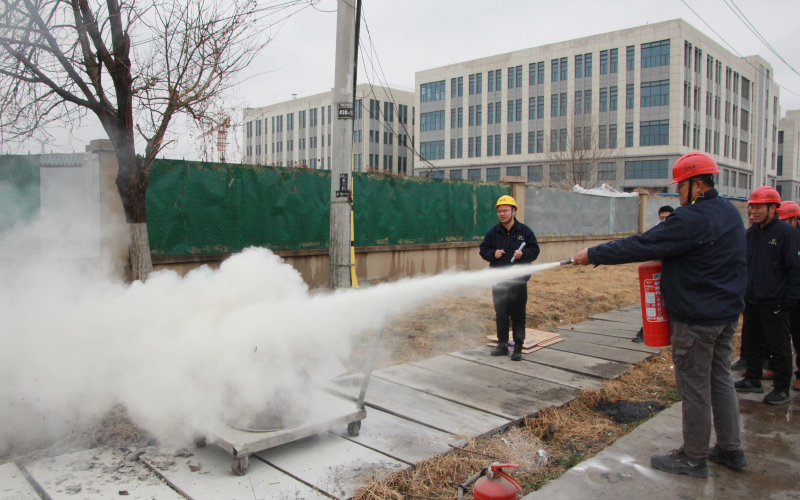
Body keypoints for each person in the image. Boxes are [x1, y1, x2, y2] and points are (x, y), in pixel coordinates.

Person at [573, 152, 747, 478]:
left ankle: (693, 458)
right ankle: (730, 449)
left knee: (694, 388)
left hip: (697, 320)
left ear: (696, 184)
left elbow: (642, 244)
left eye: (680, 185)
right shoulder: (729, 213)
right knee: (720, 379)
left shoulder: (689, 219)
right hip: (726, 315)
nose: (677, 192)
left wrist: (593, 254)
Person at [735, 187, 800, 404]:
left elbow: (795, 270)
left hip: (775, 302)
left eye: (758, 206)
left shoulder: (787, 234)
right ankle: (753, 378)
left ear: (773, 208)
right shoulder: (750, 234)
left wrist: (789, 300)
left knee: (778, 345)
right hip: (752, 299)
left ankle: (781, 387)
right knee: (753, 342)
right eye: (751, 206)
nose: (752, 210)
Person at [479, 195, 540, 361]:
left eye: (505, 211)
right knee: (501, 314)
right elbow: (483, 250)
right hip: (499, 281)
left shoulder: (525, 232)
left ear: (514, 211)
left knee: (518, 315)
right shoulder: (494, 232)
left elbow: (535, 251)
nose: (502, 214)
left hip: (518, 282)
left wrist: (523, 255)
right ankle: (502, 345)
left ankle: (518, 347)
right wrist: (493, 253)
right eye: (500, 211)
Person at [632, 205, 675, 342]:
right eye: (661, 218)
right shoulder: (657, 230)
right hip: (658, 272)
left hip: (673, 273)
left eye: (666, 218)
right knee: (655, 302)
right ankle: (645, 331)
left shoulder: (678, 230)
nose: (664, 220)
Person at [777, 201, 800, 391]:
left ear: (794, 219)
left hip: (796, 293)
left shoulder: (795, 237)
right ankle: (777, 369)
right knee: (782, 335)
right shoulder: (781, 235)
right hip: (784, 293)